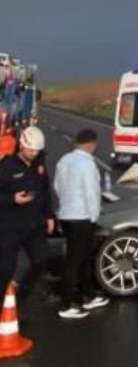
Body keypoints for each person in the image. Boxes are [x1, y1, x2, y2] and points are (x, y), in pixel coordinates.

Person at [53, 128, 109, 319]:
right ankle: (68, 303)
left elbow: (57, 186)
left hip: (66, 214)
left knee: (81, 258)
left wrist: (66, 202)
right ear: (91, 144)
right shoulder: (87, 164)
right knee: (76, 261)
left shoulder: (64, 160)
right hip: (82, 217)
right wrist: (94, 217)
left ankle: (89, 295)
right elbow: (91, 191)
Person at [0, 126, 55, 306]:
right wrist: (12, 199)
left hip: (33, 225)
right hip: (10, 227)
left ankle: (22, 296)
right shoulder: (6, 166)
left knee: (41, 260)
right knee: (5, 271)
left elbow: (45, 190)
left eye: (37, 151)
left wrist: (49, 215)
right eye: (30, 150)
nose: (33, 154)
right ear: (22, 146)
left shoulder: (39, 165)